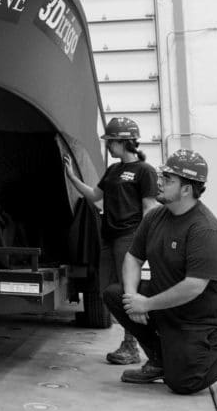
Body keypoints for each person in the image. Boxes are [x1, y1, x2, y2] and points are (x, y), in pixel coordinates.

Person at [102, 149, 217, 395]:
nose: (159, 183)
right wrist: (132, 298)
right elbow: (132, 257)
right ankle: (159, 360)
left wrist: (147, 304)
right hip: (172, 303)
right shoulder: (156, 217)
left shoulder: (205, 230)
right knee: (115, 294)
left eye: (168, 180)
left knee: (184, 382)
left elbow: (194, 285)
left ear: (186, 189)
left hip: (206, 316)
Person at [64, 117, 159, 365]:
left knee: (128, 290)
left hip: (129, 237)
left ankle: (132, 345)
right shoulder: (113, 171)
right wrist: (72, 178)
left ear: (123, 141)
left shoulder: (145, 171)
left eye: (111, 141)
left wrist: (143, 241)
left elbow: (149, 208)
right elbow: (96, 196)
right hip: (109, 237)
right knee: (108, 290)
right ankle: (133, 341)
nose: (108, 146)